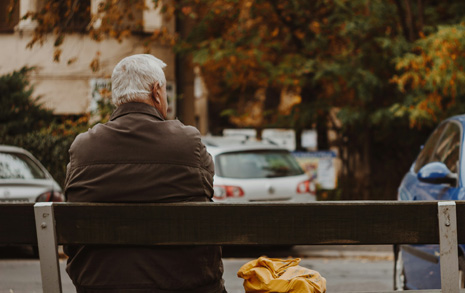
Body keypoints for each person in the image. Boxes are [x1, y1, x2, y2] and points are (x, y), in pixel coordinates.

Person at [64, 54, 226, 293]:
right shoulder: (187, 142)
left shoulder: (83, 148)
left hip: (101, 287)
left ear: (117, 96)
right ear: (157, 91)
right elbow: (206, 189)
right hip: (188, 287)